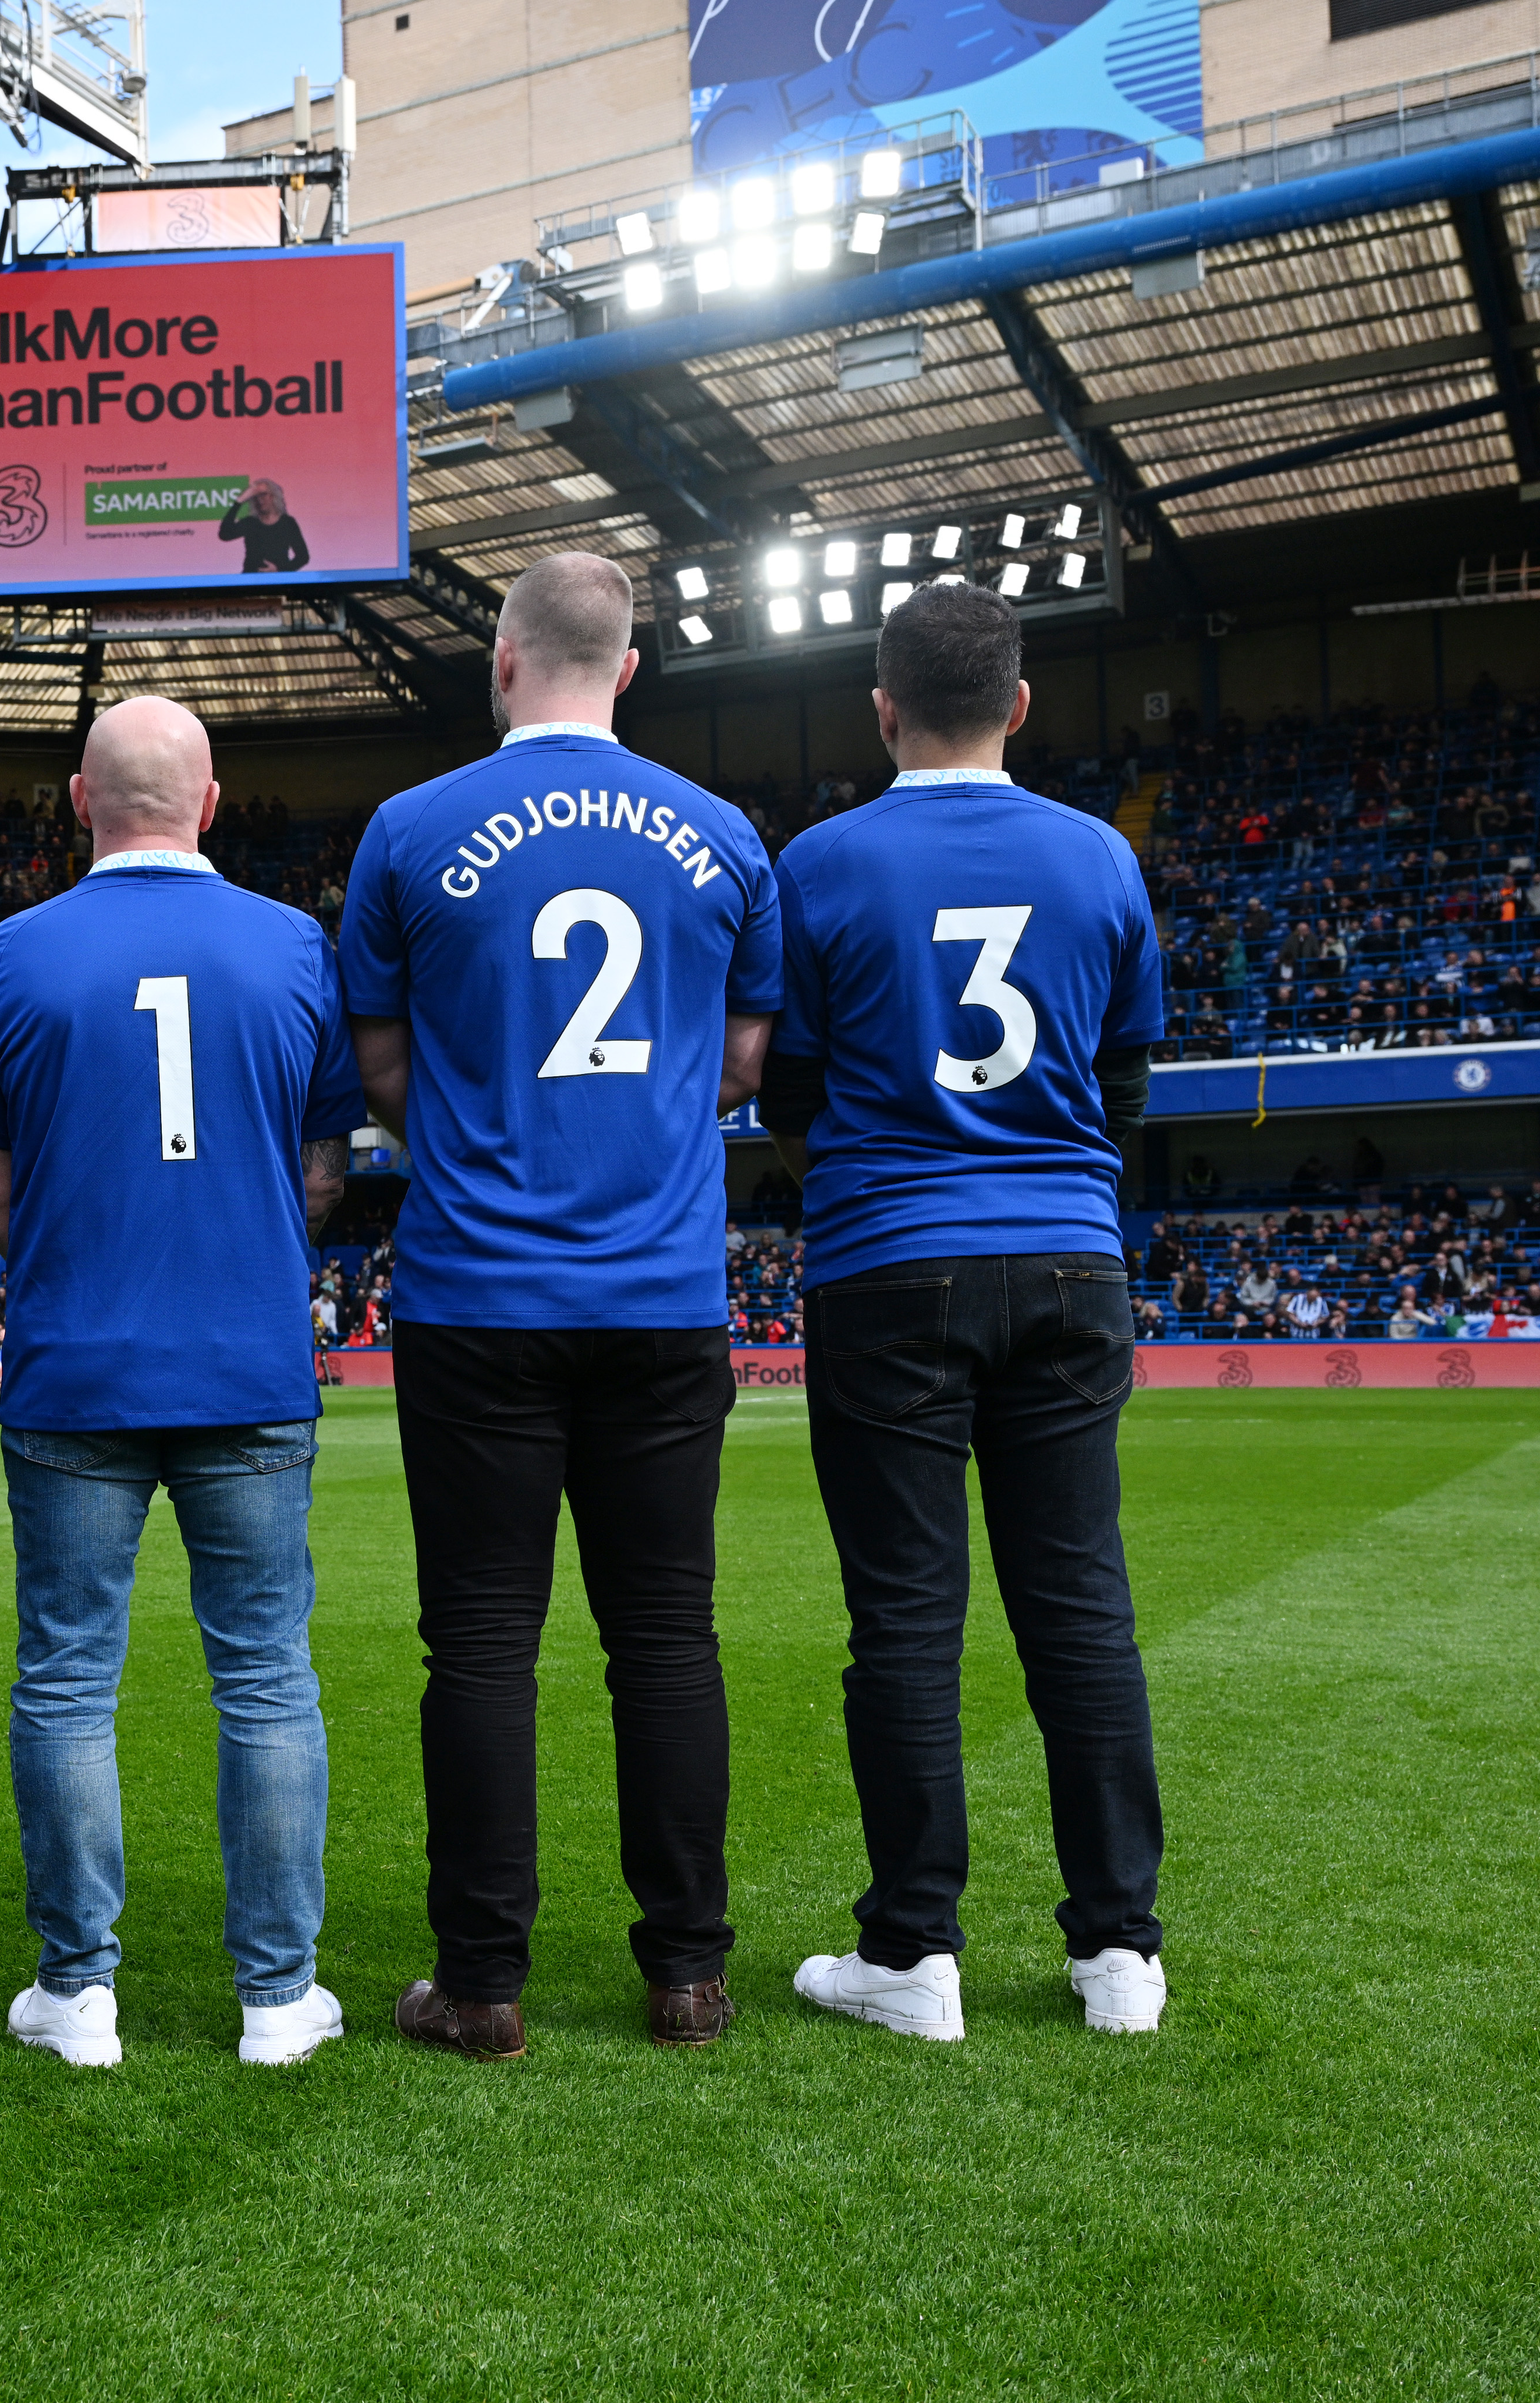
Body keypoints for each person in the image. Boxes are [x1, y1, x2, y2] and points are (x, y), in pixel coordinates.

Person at [339, 550, 779, 2058]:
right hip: (661, 1294)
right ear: (632, 669)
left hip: (478, 1293)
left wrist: (473, 1124)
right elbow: (737, 1065)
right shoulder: (722, 836)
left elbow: (383, 1070)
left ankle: (482, 1984)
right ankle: (690, 1976)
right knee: (666, 1638)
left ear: (504, 659)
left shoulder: (408, 831)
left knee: (479, 1643)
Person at [760, 579, 1168, 2044]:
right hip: (1069, 1259)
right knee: (1079, 1606)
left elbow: (787, 1093)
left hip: (884, 1267)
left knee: (905, 1619)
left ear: (878, 708)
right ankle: (1117, 1948)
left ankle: (910, 1952)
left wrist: (878, 1182)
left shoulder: (814, 862)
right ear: (1018, 703)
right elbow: (1121, 1084)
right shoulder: (1100, 858)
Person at [0, 696, 363, 2071]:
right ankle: (273, 1996)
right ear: (210, 798)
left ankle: (77, 1993)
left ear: (78, 800)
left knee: (66, 1678)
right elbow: (322, 1167)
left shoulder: (8, 954)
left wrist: (80, 1252)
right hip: (247, 1358)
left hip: (75, 1362)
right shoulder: (293, 942)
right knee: (264, 1677)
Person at [217, 477, 309, 575]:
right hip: (251, 582)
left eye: (263, 495)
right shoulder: (251, 523)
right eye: (256, 496)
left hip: (279, 581)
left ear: (274, 496)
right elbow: (224, 534)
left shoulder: (288, 523)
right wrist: (240, 501)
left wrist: (280, 569)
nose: (260, 500)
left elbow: (303, 557)